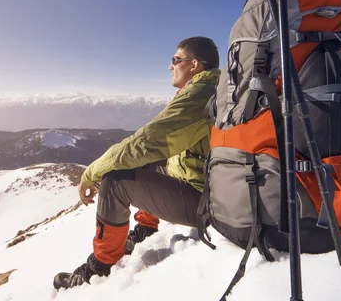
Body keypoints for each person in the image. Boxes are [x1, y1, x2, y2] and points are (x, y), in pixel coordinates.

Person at [53, 36, 220, 290]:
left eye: (175, 60)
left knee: (115, 180)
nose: (170, 66)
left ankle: (100, 267)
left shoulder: (200, 95)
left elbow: (145, 142)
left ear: (194, 64)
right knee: (145, 163)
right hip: (207, 188)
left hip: (205, 203)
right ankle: (145, 231)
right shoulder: (211, 89)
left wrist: (93, 171)